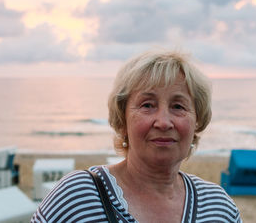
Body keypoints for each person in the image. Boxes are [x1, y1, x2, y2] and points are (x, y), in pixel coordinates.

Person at [31, 50, 242, 222]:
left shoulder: (219, 207)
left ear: (197, 121)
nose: (163, 122)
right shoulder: (77, 196)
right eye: (147, 105)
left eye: (178, 106)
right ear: (122, 120)